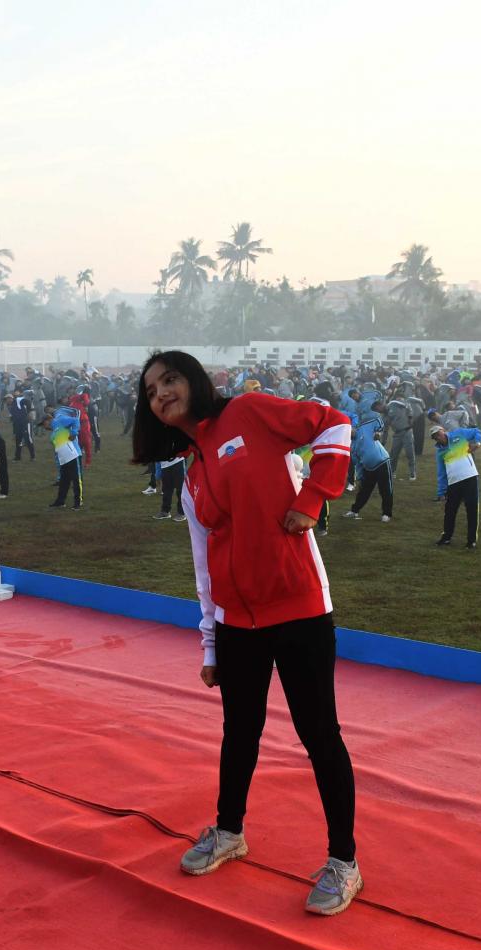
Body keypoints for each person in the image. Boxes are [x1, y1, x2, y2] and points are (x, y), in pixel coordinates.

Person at [133, 349, 360, 917]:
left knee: (319, 735)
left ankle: (344, 861)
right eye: (151, 391)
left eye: (169, 380)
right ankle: (229, 832)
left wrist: (313, 498)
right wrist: (210, 642)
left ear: (193, 379)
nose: (161, 394)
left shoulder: (249, 412)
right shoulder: (191, 474)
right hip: (236, 623)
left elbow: (334, 423)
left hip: (299, 607)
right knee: (240, 732)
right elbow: (203, 566)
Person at [430, 422, 481, 548]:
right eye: (435, 436)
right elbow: (441, 473)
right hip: (453, 483)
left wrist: (477, 443)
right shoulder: (440, 452)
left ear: (443, 430)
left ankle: (471, 541)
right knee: (450, 511)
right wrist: (441, 492)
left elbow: (477, 431)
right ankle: (446, 538)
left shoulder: (459, 434)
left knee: (472, 509)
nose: (437, 437)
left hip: (470, 477)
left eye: (438, 433)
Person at [344, 425, 394, 522]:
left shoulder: (364, 428)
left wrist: (378, 433)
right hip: (368, 468)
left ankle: (386, 514)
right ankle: (354, 511)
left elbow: (379, 424)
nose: (351, 432)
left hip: (382, 462)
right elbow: (357, 463)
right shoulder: (352, 446)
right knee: (363, 491)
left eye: (351, 430)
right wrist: (360, 477)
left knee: (385, 489)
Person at [46, 407, 84, 509]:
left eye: (44, 424)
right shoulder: (53, 433)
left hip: (73, 454)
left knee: (76, 479)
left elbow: (75, 420)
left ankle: (78, 502)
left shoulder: (60, 420)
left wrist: (74, 432)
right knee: (64, 481)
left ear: (48, 420)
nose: (45, 427)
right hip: (63, 459)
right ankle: (60, 501)